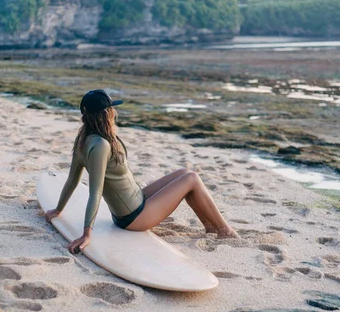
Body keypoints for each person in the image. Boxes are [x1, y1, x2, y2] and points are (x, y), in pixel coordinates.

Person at [45, 89, 239, 254]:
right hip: (134, 217)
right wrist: (87, 234)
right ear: (106, 114)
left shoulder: (84, 139)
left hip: (137, 199)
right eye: (111, 109)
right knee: (192, 178)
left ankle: (211, 227)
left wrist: (58, 209)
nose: (114, 112)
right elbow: (95, 191)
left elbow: (72, 180)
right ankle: (225, 230)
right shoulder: (101, 146)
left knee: (184, 172)